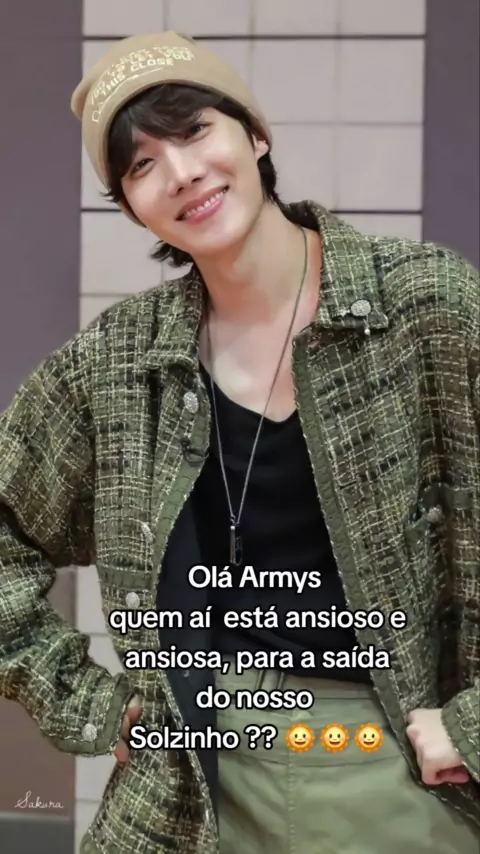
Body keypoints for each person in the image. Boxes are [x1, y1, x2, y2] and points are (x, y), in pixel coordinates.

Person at [0, 30, 479, 854]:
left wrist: (470, 725)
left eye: (195, 131)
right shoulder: (119, 361)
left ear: (255, 135)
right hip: (198, 782)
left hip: (407, 774)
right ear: (129, 205)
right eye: (141, 165)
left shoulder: (427, 304)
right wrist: (93, 705)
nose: (181, 172)